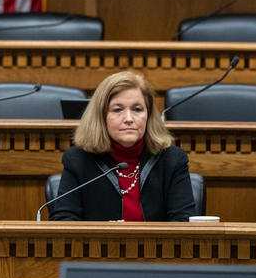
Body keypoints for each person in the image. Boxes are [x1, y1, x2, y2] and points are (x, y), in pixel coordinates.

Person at [50, 71, 196, 221]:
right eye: (117, 110)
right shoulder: (78, 160)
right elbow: (64, 221)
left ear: (149, 115)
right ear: (101, 116)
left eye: (137, 109)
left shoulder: (172, 160)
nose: (128, 119)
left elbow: (184, 222)